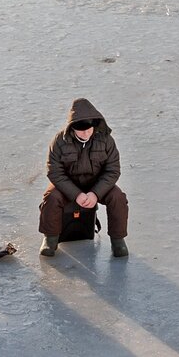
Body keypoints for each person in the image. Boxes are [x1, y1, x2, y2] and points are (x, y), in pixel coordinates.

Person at [38, 98, 129, 258]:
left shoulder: (106, 140)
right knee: (51, 198)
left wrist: (95, 193)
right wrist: (76, 194)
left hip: (97, 183)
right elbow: (54, 172)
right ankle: (50, 239)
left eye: (89, 129)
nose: (86, 133)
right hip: (68, 185)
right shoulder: (59, 141)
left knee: (118, 197)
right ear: (72, 127)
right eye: (81, 130)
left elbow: (113, 170)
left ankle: (118, 241)